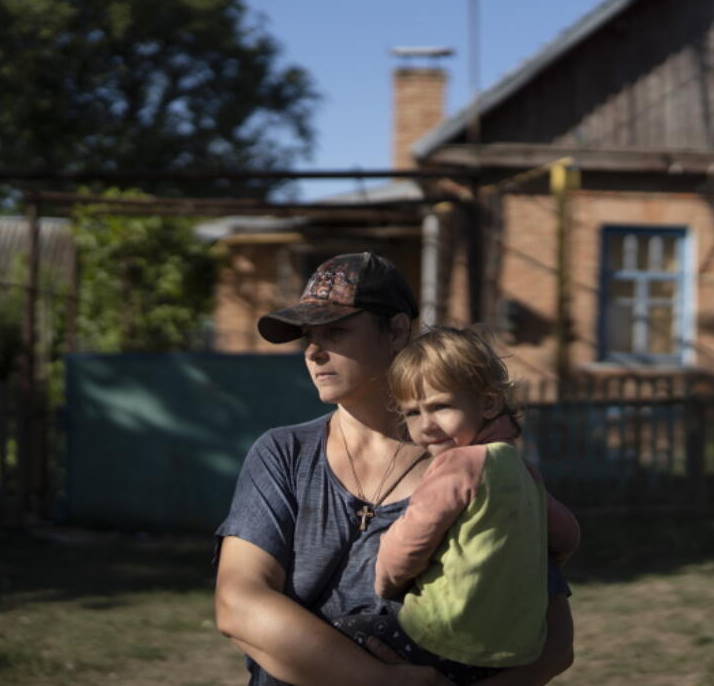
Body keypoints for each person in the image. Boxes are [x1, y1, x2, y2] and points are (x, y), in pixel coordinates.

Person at [214, 252, 574, 686]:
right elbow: (239, 602)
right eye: (308, 335)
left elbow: (554, 643)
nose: (313, 350)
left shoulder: (476, 465)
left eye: (336, 331)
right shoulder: (284, 453)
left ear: (398, 331)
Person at [332, 327, 580, 686]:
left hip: (442, 638)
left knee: (340, 635)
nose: (426, 426)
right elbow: (568, 535)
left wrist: (386, 583)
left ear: (489, 403)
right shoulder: (526, 474)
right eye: (412, 413)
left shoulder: (458, 464)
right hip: (514, 652)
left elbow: (410, 542)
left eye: (440, 406)